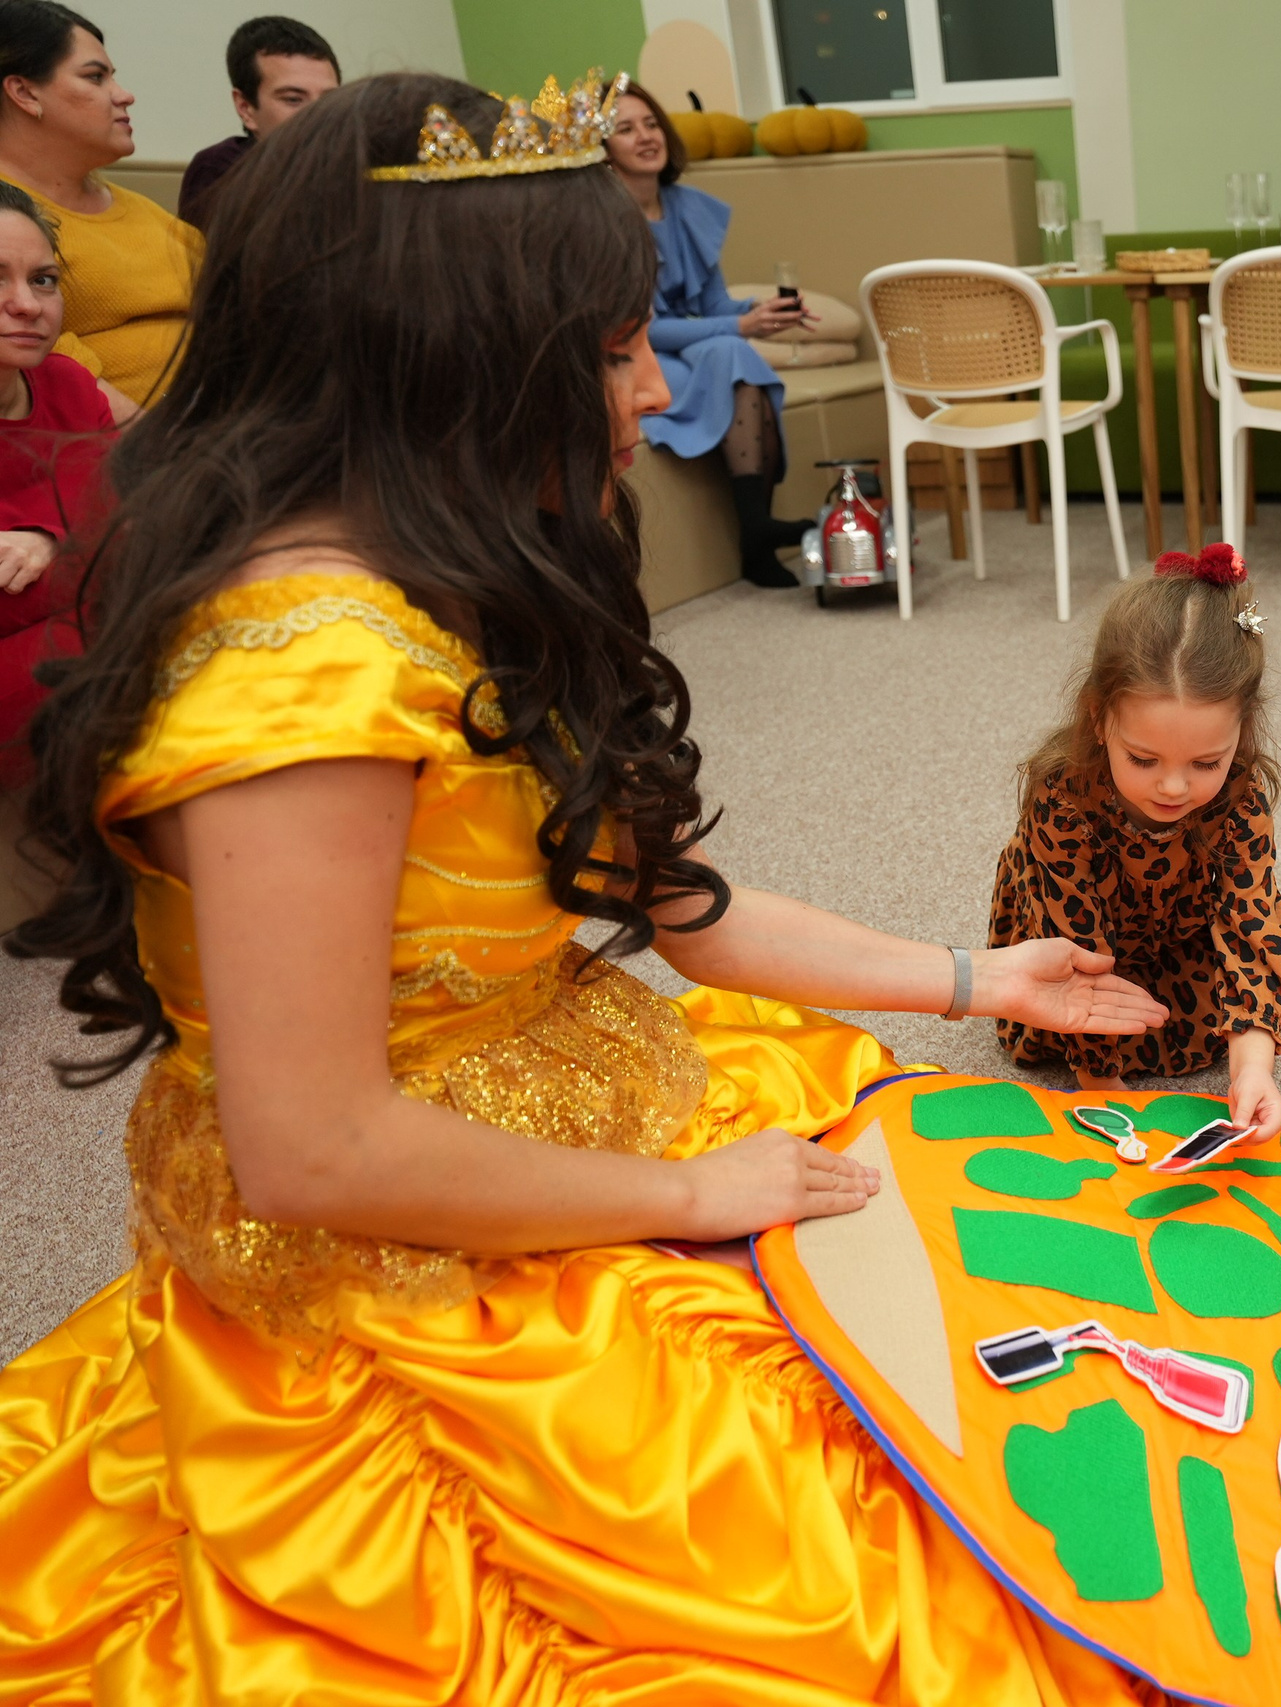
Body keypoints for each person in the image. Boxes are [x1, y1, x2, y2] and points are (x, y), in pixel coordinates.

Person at [0, 72, 1173, 1700]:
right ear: (459, 355)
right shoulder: (300, 676)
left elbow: (688, 910)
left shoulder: (458, 567)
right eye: (616, 350)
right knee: (833, 1566)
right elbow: (314, 1143)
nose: (656, 386)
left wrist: (979, 976)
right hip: (398, 1242)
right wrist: (692, 1199)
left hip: (553, 1087)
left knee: (947, 1296)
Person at [988, 543, 1281, 1135]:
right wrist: (1100, 1080)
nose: (1174, 787)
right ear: (1098, 718)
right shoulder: (1062, 796)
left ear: (1242, 732)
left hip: (1181, 939)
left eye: (1207, 763)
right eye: (1142, 758)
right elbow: (1070, 936)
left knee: (1240, 985)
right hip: (1080, 945)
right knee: (1048, 1007)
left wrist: (1252, 1068)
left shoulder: (1242, 794)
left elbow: (1250, 918)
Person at [604, 80, 814, 587]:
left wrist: (760, 312)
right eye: (626, 129)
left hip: (691, 350)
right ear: (603, 149)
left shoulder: (686, 206)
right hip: (638, 357)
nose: (646, 136)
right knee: (730, 349)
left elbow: (713, 305)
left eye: (652, 124)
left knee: (731, 351)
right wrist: (739, 326)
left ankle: (756, 532)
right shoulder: (604, 222)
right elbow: (642, 330)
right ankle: (757, 534)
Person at [0, 2, 196, 418]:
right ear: (25, 93)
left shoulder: (149, 215)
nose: (124, 95)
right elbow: (54, 373)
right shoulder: (13, 227)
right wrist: (175, 451)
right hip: (129, 445)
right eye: (95, 77)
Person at [0, 175, 111, 788]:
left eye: (43, 280)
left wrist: (47, 542)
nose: (27, 305)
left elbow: (135, 527)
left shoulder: (69, 385)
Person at [176, 14, 338, 229]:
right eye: (293, 99)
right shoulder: (220, 169)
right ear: (246, 109)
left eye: (330, 99)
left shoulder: (359, 159)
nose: (318, 114)